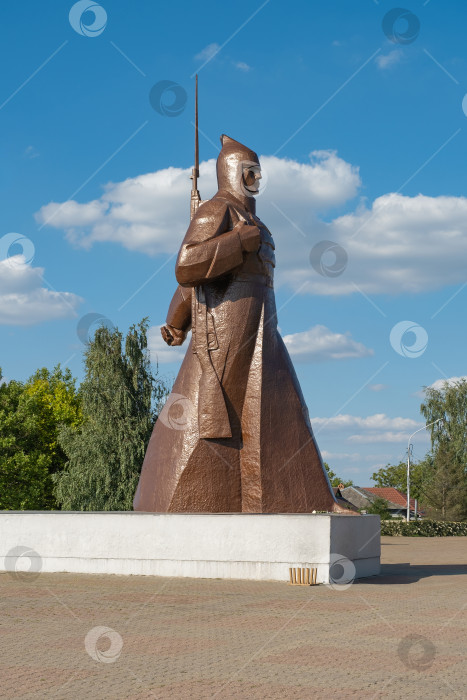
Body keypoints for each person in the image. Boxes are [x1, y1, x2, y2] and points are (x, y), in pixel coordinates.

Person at [133, 135, 353, 514]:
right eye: (248, 171)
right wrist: (179, 319)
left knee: (284, 406)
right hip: (226, 329)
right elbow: (187, 268)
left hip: (263, 326)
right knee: (211, 414)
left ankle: (315, 500)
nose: (255, 177)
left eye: (258, 171)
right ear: (231, 173)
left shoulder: (256, 221)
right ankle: (174, 498)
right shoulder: (216, 211)